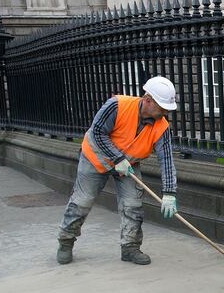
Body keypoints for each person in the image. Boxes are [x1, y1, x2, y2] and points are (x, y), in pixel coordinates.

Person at [56, 76, 180, 266]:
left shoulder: (161, 126)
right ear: (147, 100)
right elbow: (97, 132)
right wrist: (117, 158)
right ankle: (66, 241)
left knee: (133, 205)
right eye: (162, 107)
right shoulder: (117, 105)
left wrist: (169, 193)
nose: (165, 112)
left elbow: (167, 159)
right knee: (82, 201)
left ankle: (130, 248)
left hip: (128, 165)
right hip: (95, 159)